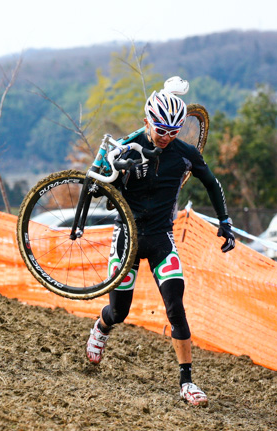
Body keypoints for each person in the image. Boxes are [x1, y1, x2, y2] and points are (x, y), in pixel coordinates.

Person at [85, 82, 235, 407]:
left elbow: (212, 183)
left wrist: (225, 222)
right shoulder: (126, 147)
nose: (166, 136)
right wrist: (108, 176)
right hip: (128, 236)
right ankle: (101, 326)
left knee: (175, 307)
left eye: (173, 131)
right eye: (160, 129)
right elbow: (96, 188)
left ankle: (187, 382)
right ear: (146, 121)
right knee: (119, 311)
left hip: (161, 239)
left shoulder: (185, 154)